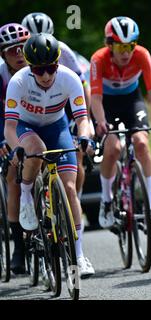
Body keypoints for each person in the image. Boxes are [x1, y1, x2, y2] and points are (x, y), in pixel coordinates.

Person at [4, 33, 95, 277]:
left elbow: (82, 118)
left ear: (58, 64)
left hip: (57, 126)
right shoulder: (19, 81)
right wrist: (16, 148)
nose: (45, 76)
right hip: (26, 127)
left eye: (51, 68)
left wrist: (85, 137)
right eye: (39, 70)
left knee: (69, 188)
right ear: (31, 68)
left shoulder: (69, 78)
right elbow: (10, 128)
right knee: (36, 148)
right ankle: (26, 195)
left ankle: (79, 255)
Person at [90, 16, 151, 231]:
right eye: (121, 47)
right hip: (105, 104)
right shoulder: (98, 59)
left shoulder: (142, 54)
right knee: (113, 147)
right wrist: (100, 122)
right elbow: (95, 98)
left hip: (131, 101)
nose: (126, 52)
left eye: (130, 46)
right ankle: (106, 202)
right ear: (109, 45)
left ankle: (150, 208)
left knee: (141, 143)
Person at [22, 12, 94, 201]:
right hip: (34, 111)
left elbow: (83, 86)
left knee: (76, 155)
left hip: (64, 107)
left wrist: (86, 119)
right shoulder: (21, 58)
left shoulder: (64, 50)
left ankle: (72, 202)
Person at [0, 23, 31, 274]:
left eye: (22, 47)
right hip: (9, 126)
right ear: (3, 55)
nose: (19, 53)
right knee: (13, 174)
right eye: (12, 50)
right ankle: (19, 246)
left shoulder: (41, 66)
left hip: (39, 124)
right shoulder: (1, 76)